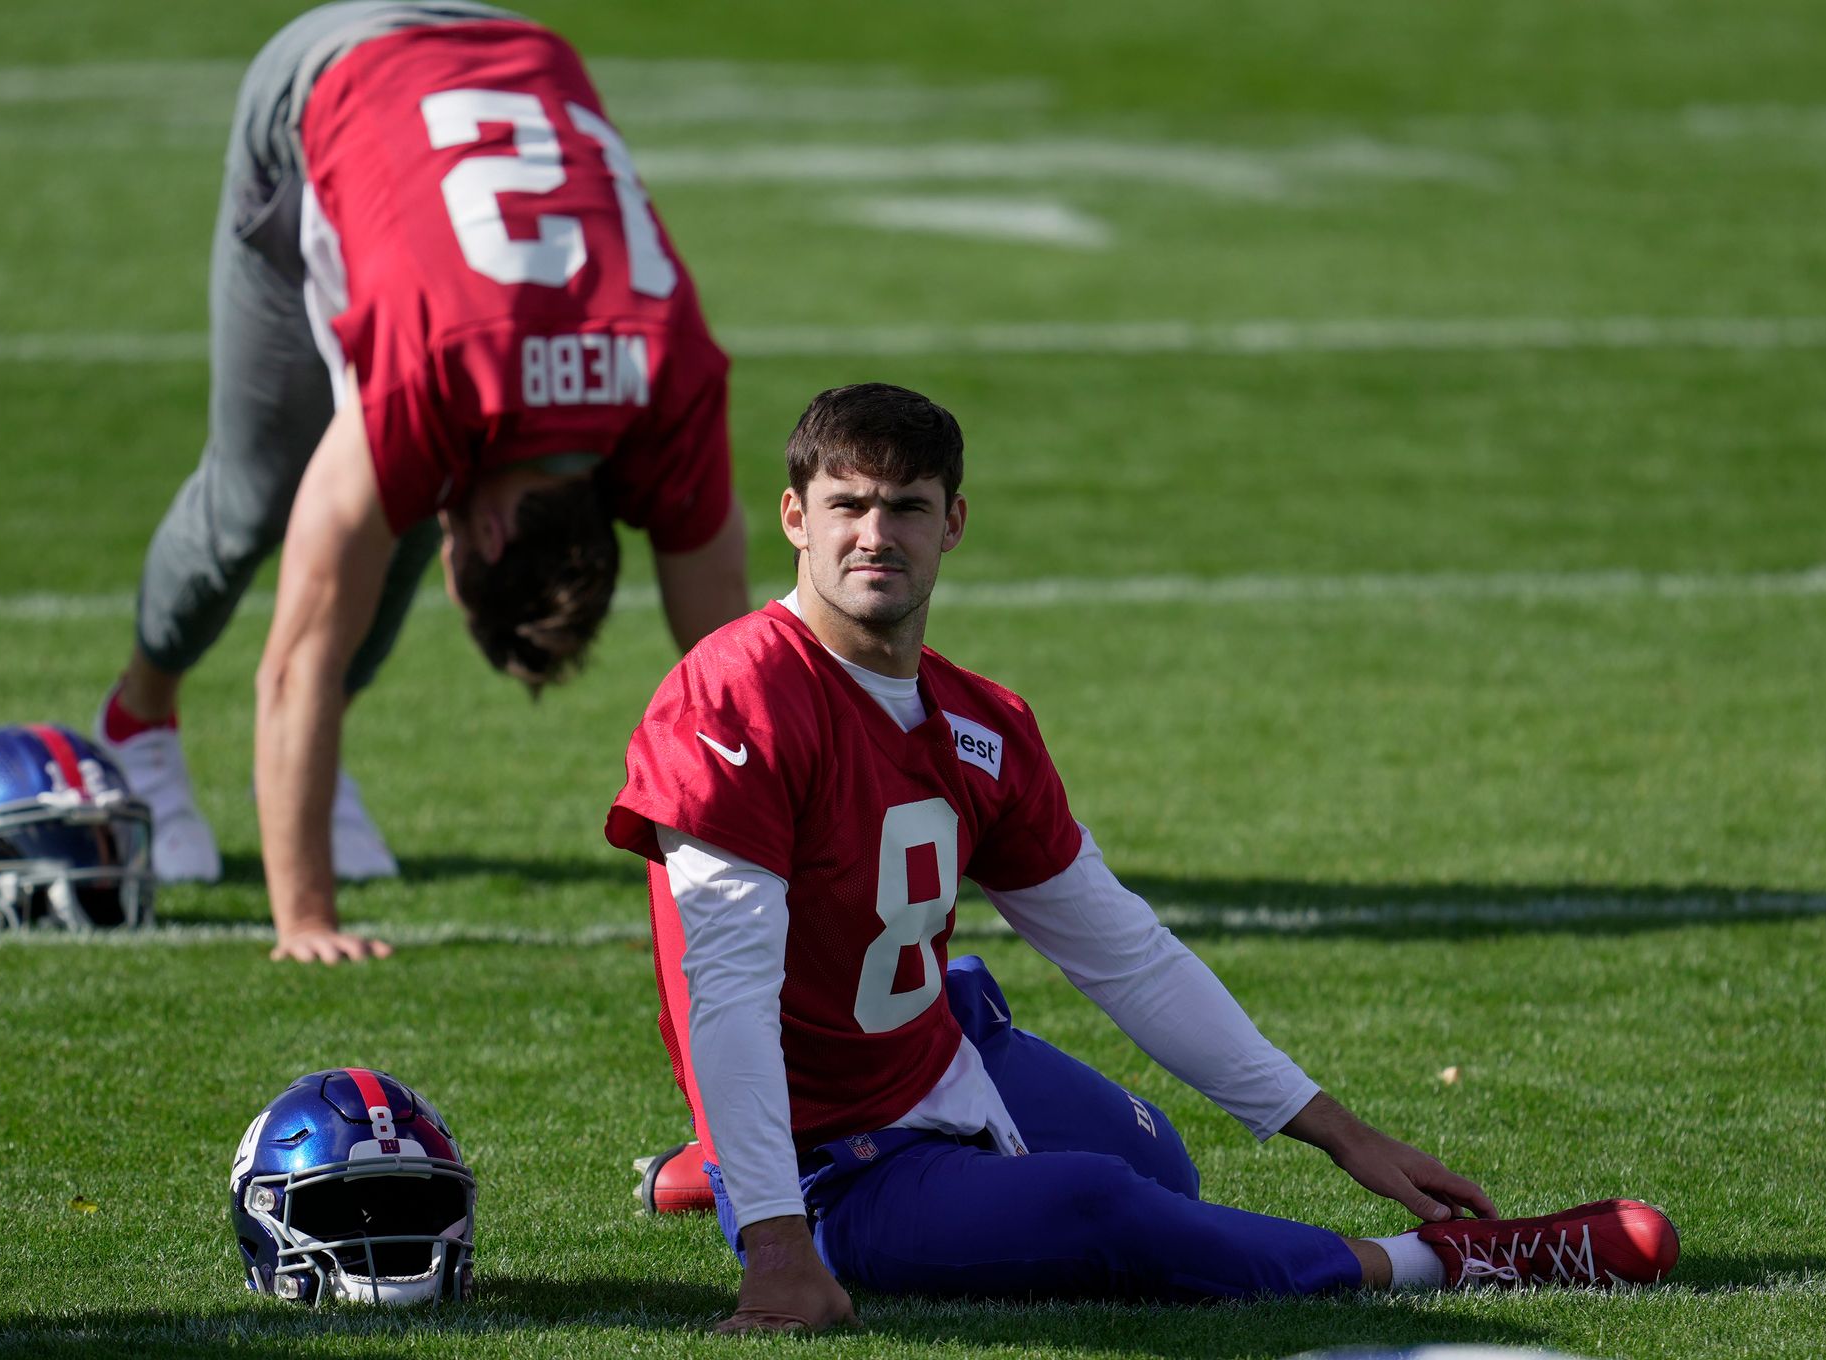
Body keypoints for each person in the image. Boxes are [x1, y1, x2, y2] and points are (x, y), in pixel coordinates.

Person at [605, 383, 1679, 1331]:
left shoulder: (979, 721)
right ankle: (1443, 1262)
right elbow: (729, 991)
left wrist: (1341, 1132)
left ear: (954, 524)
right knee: (1106, 1210)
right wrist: (781, 1248)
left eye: (907, 508)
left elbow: (1126, 952)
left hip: (928, 1051)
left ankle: (709, 1171)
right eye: (847, 505)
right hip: (829, 1150)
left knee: (1157, 1160)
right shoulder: (734, 697)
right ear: (795, 517)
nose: (875, 534)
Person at [95, 1, 748, 963]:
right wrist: (305, 921)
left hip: (519, 46)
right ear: (487, 537)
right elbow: (295, 657)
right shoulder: (445, 377)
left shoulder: (672, 379)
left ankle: (315, 766)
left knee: (391, 501)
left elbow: (731, 675)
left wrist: (783, 865)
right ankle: (136, 723)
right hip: (328, 71)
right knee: (260, 496)